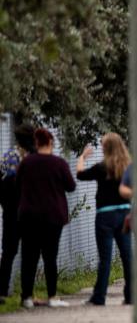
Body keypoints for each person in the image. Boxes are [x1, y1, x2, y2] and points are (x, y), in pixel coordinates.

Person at [17, 128, 76, 308]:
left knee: (29, 257)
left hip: (29, 217)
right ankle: (52, 296)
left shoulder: (26, 163)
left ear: (36, 143)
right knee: (50, 257)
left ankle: (26, 297)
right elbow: (71, 186)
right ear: (51, 143)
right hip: (53, 217)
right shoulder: (59, 164)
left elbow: (17, 184)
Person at [77, 133, 133, 306]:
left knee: (105, 258)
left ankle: (99, 296)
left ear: (106, 148)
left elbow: (80, 174)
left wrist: (82, 157)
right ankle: (131, 295)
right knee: (127, 256)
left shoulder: (102, 167)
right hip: (125, 214)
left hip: (105, 216)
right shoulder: (128, 167)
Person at [0, 124, 35, 303]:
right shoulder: (34, 158)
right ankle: (26, 293)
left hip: (10, 212)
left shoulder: (8, 156)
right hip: (29, 212)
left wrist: (5, 204)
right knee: (29, 253)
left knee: (8, 252)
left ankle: (2, 291)